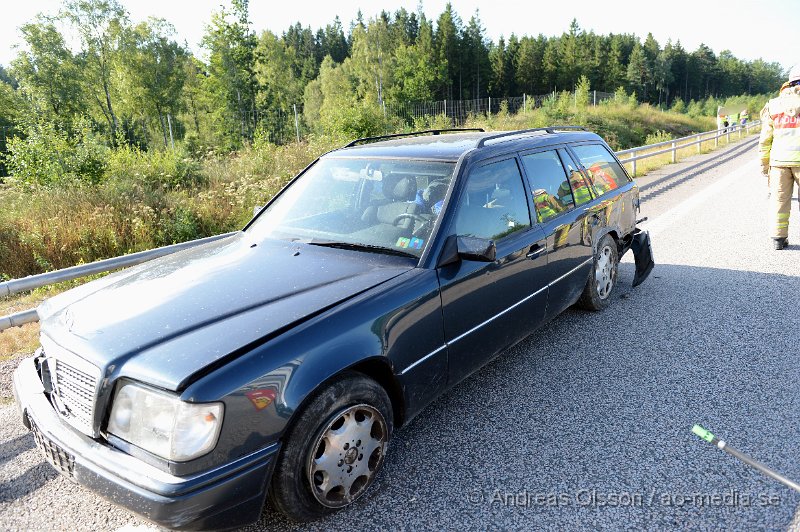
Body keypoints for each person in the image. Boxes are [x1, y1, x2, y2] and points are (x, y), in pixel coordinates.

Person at [759, 63, 800, 250]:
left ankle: (778, 238)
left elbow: (765, 139)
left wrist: (764, 163)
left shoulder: (774, 105)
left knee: (779, 200)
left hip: (779, 162)